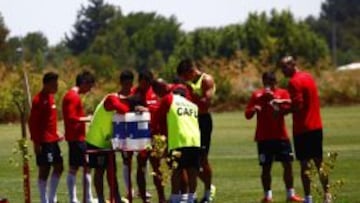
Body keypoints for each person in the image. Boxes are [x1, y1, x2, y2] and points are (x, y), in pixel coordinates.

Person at [279, 56, 331, 203]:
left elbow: (298, 105)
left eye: (284, 67)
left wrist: (281, 111)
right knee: (319, 163)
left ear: (292, 65)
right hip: (316, 126)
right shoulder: (308, 77)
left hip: (303, 128)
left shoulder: (293, 82)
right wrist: (284, 101)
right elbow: (302, 100)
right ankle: (327, 195)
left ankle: (308, 198)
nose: (282, 71)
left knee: (304, 166)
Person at [245, 72, 303, 203]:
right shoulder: (257, 95)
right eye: (265, 82)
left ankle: (290, 195)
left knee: (287, 165)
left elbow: (289, 108)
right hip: (264, 138)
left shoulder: (282, 93)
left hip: (281, 136)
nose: (268, 85)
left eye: (271, 82)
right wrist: (254, 109)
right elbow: (247, 114)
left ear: (275, 82)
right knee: (266, 167)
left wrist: (275, 101)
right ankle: (268, 196)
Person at [152, 79, 201, 203]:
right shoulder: (193, 105)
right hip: (195, 141)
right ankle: (191, 198)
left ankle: (174, 199)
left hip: (178, 140)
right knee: (192, 171)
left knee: (177, 171)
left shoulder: (169, 99)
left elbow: (157, 118)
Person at [85, 72, 132, 203]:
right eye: (127, 85)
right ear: (121, 84)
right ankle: (100, 199)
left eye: (130, 85)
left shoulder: (125, 99)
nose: (129, 88)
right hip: (96, 140)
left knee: (112, 170)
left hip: (108, 141)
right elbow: (122, 109)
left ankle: (116, 198)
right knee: (100, 171)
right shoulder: (111, 98)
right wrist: (134, 105)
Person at [177, 59, 216, 203]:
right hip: (189, 120)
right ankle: (200, 188)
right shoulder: (186, 84)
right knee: (189, 160)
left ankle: (208, 192)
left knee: (202, 158)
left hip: (203, 121)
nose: (184, 80)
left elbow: (206, 104)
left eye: (184, 76)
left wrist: (191, 93)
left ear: (191, 72)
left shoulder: (206, 80)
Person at [28, 72, 63, 203]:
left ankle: (51, 198)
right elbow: (33, 123)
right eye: (54, 84)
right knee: (45, 169)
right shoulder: (38, 100)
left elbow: (49, 120)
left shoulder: (51, 98)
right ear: (47, 84)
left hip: (53, 140)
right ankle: (44, 200)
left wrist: (56, 132)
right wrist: (36, 143)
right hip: (43, 141)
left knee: (59, 167)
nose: (56, 86)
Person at [132, 69, 165, 203]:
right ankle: (144, 198)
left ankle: (161, 197)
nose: (144, 86)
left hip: (157, 136)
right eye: (142, 83)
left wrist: (147, 110)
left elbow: (161, 109)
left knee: (157, 167)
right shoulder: (134, 92)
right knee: (141, 166)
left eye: (146, 83)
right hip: (140, 136)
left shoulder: (155, 92)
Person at [62, 70, 95, 203]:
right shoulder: (73, 97)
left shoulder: (71, 96)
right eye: (89, 86)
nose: (90, 89)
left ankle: (79, 198)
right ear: (83, 83)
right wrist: (86, 119)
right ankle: (84, 198)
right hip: (76, 137)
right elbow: (70, 117)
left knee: (75, 167)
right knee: (85, 167)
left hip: (75, 137)